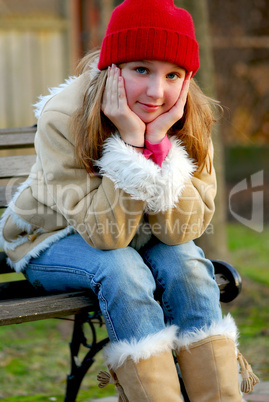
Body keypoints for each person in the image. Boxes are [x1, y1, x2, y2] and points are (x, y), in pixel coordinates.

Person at [0, 0, 259, 400]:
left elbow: (180, 233)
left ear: (188, 79)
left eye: (173, 75)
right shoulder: (63, 116)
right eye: (141, 69)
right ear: (112, 68)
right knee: (123, 270)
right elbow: (108, 237)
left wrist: (159, 144)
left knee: (188, 264)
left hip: (136, 238)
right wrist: (132, 149)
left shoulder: (189, 117)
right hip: (48, 238)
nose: (157, 91)